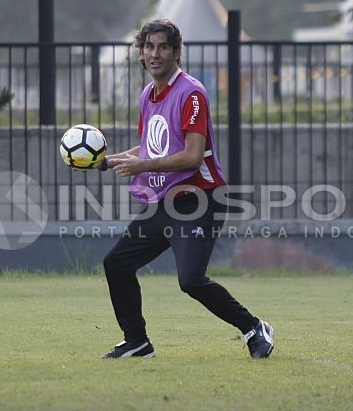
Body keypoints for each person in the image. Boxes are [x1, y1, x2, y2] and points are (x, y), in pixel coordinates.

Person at [97, 18, 274, 359]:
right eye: (149, 47)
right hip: (165, 202)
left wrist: (142, 166)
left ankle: (254, 327)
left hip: (199, 200)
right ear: (140, 53)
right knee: (116, 264)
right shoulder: (148, 95)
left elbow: (192, 156)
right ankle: (137, 341)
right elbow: (150, 147)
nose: (155, 53)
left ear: (178, 52)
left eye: (163, 47)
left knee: (190, 280)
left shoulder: (191, 93)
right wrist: (107, 161)